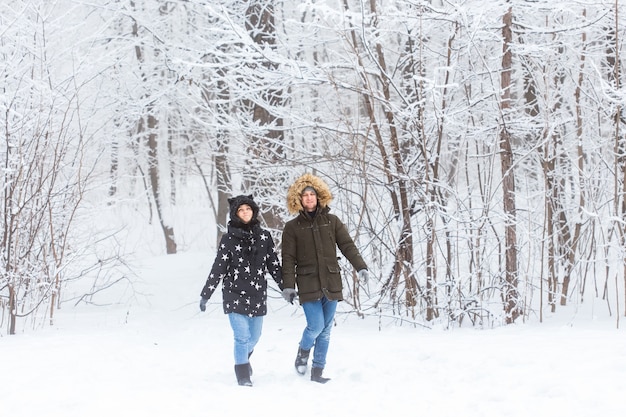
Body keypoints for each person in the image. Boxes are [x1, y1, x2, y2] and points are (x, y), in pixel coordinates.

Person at [281, 173, 369, 383]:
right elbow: (288, 258)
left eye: (312, 194)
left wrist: (361, 267)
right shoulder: (292, 227)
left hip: (331, 281)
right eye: (305, 195)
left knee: (326, 330)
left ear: (319, 196)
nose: (309, 198)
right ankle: (303, 351)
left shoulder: (332, 221)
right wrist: (288, 286)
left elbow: (347, 245)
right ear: (299, 200)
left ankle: (317, 371)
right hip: (308, 282)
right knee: (316, 326)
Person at [199, 194, 284, 387]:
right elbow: (218, 267)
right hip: (234, 294)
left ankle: (243, 358)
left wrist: (286, 288)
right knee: (242, 336)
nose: (245, 213)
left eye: (248, 209)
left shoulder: (264, 237)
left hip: (257, 294)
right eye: (241, 210)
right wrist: (206, 294)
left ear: (253, 211)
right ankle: (243, 374)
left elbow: (273, 265)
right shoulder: (228, 239)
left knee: (254, 337)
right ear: (235, 214)